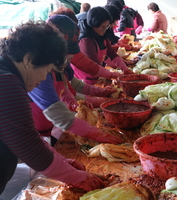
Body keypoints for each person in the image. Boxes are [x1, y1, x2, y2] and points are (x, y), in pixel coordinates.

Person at [0, 20, 104, 194]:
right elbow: (29, 147)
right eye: (47, 70)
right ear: (28, 59)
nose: (43, 79)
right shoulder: (7, 84)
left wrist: (61, 160)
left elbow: (25, 134)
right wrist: (78, 178)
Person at [29, 15, 122, 145]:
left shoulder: (55, 65)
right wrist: (96, 134)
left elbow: (66, 88)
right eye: (66, 56)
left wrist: (76, 104)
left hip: (48, 127)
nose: (70, 59)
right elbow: (57, 112)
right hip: (34, 130)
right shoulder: (38, 71)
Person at [50, 7, 122, 84]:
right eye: (104, 27)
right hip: (87, 78)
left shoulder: (61, 62)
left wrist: (112, 74)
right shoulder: (46, 70)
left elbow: (72, 85)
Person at [77, 6, 133, 85]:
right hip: (86, 79)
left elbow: (111, 54)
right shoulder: (86, 41)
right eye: (103, 27)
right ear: (94, 25)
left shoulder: (101, 34)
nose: (106, 29)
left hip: (98, 74)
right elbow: (94, 67)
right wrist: (112, 75)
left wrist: (125, 69)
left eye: (107, 26)